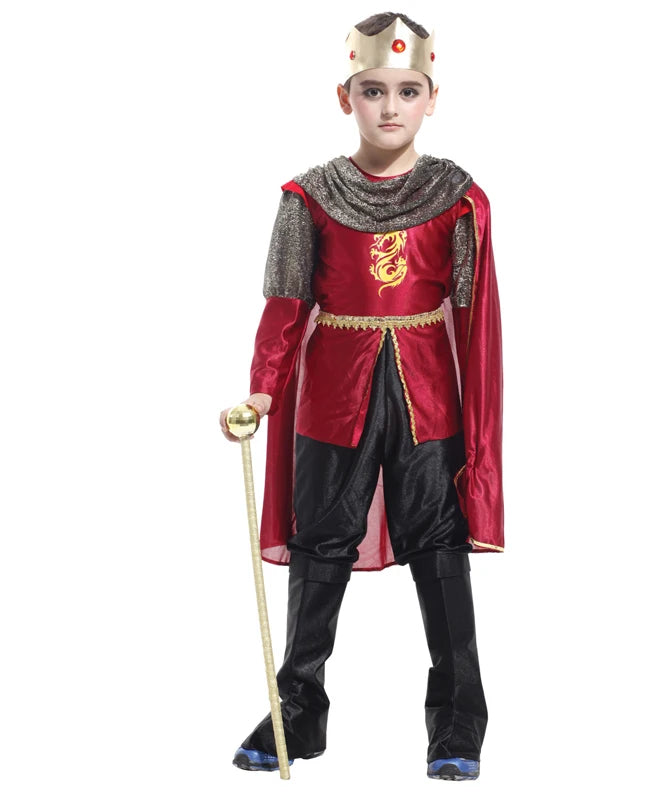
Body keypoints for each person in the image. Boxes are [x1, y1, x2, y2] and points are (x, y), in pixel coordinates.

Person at [219, 11, 503, 781]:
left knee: (438, 548)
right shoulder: (308, 197)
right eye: (373, 90)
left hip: (427, 397)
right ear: (345, 96)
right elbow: (285, 307)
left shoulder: (458, 199)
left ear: (432, 98)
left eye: (407, 90)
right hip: (332, 396)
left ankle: (458, 721)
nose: (390, 106)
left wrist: (479, 433)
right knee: (320, 547)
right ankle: (298, 711)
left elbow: (475, 321)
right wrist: (263, 393)